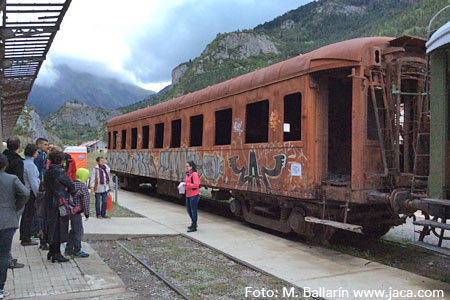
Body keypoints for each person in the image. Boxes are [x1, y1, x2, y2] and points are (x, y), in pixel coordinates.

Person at [0, 153, 30, 299]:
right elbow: (25, 193)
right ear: (5, 165)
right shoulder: (11, 179)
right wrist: (15, 207)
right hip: (7, 220)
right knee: (4, 254)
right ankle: (0, 288)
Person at [44, 148, 75, 263]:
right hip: (59, 203)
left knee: (51, 226)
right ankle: (56, 253)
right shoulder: (60, 172)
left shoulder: (48, 171)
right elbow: (71, 185)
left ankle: (52, 250)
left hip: (48, 202)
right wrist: (66, 189)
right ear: (61, 159)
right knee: (59, 228)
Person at [2, 137, 26, 269]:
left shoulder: (3, 157)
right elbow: (22, 189)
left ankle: (7, 257)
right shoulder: (17, 162)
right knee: (8, 234)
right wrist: (19, 205)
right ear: (18, 146)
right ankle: (7, 259)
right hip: (11, 202)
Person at [65, 168, 90, 258]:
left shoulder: (72, 184)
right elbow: (85, 201)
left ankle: (69, 248)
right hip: (77, 211)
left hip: (70, 210)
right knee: (79, 231)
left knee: (73, 230)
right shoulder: (83, 186)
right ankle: (77, 250)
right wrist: (87, 213)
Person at [20, 144, 40, 246]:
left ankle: (24, 236)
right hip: (30, 193)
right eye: (37, 152)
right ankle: (26, 238)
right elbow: (34, 183)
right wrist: (38, 196)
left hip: (25, 192)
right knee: (29, 216)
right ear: (33, 153)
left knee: (25, 216)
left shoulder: (24, 163)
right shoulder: (31, 165)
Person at [34, 138, 50, 251]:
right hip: (40, 187)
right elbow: (39, 173)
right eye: (45, 145)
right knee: (41, 215)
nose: (47, 147)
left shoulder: (42, 156)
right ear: (39, 145)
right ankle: (42, 239)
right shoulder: (38, 158)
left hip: (41, 186)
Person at [183, 161, 200, 232]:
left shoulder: (194, 174)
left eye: (187, 166)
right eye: (186, 166)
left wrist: (187, 185)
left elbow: (196, 185)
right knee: (188, 210)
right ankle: (193, 223)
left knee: (193, 210)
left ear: (191, 167)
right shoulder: (188, 174)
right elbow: (187, 183)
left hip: (194, 195)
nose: (186, 167)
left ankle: (194, 225)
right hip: (188, 194)